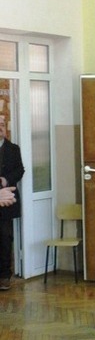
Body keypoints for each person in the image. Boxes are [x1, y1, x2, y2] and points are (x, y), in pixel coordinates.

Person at [0, 115, 24, 291]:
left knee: (5, 238)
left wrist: (6, 179)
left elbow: (20, 170)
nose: (0, 127)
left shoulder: (13, 148)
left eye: (2, 124)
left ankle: (4, 277)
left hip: (7, 202)